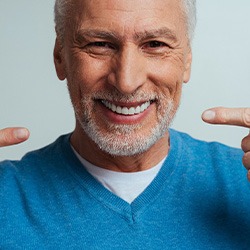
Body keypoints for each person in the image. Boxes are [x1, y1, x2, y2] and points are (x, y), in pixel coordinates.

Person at [1, 0, 250, 249]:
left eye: (155, 44)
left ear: (186, 60)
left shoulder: (244, 183)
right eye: (100, 44)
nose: (126, 82)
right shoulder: (6, 197)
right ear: (59, 56)